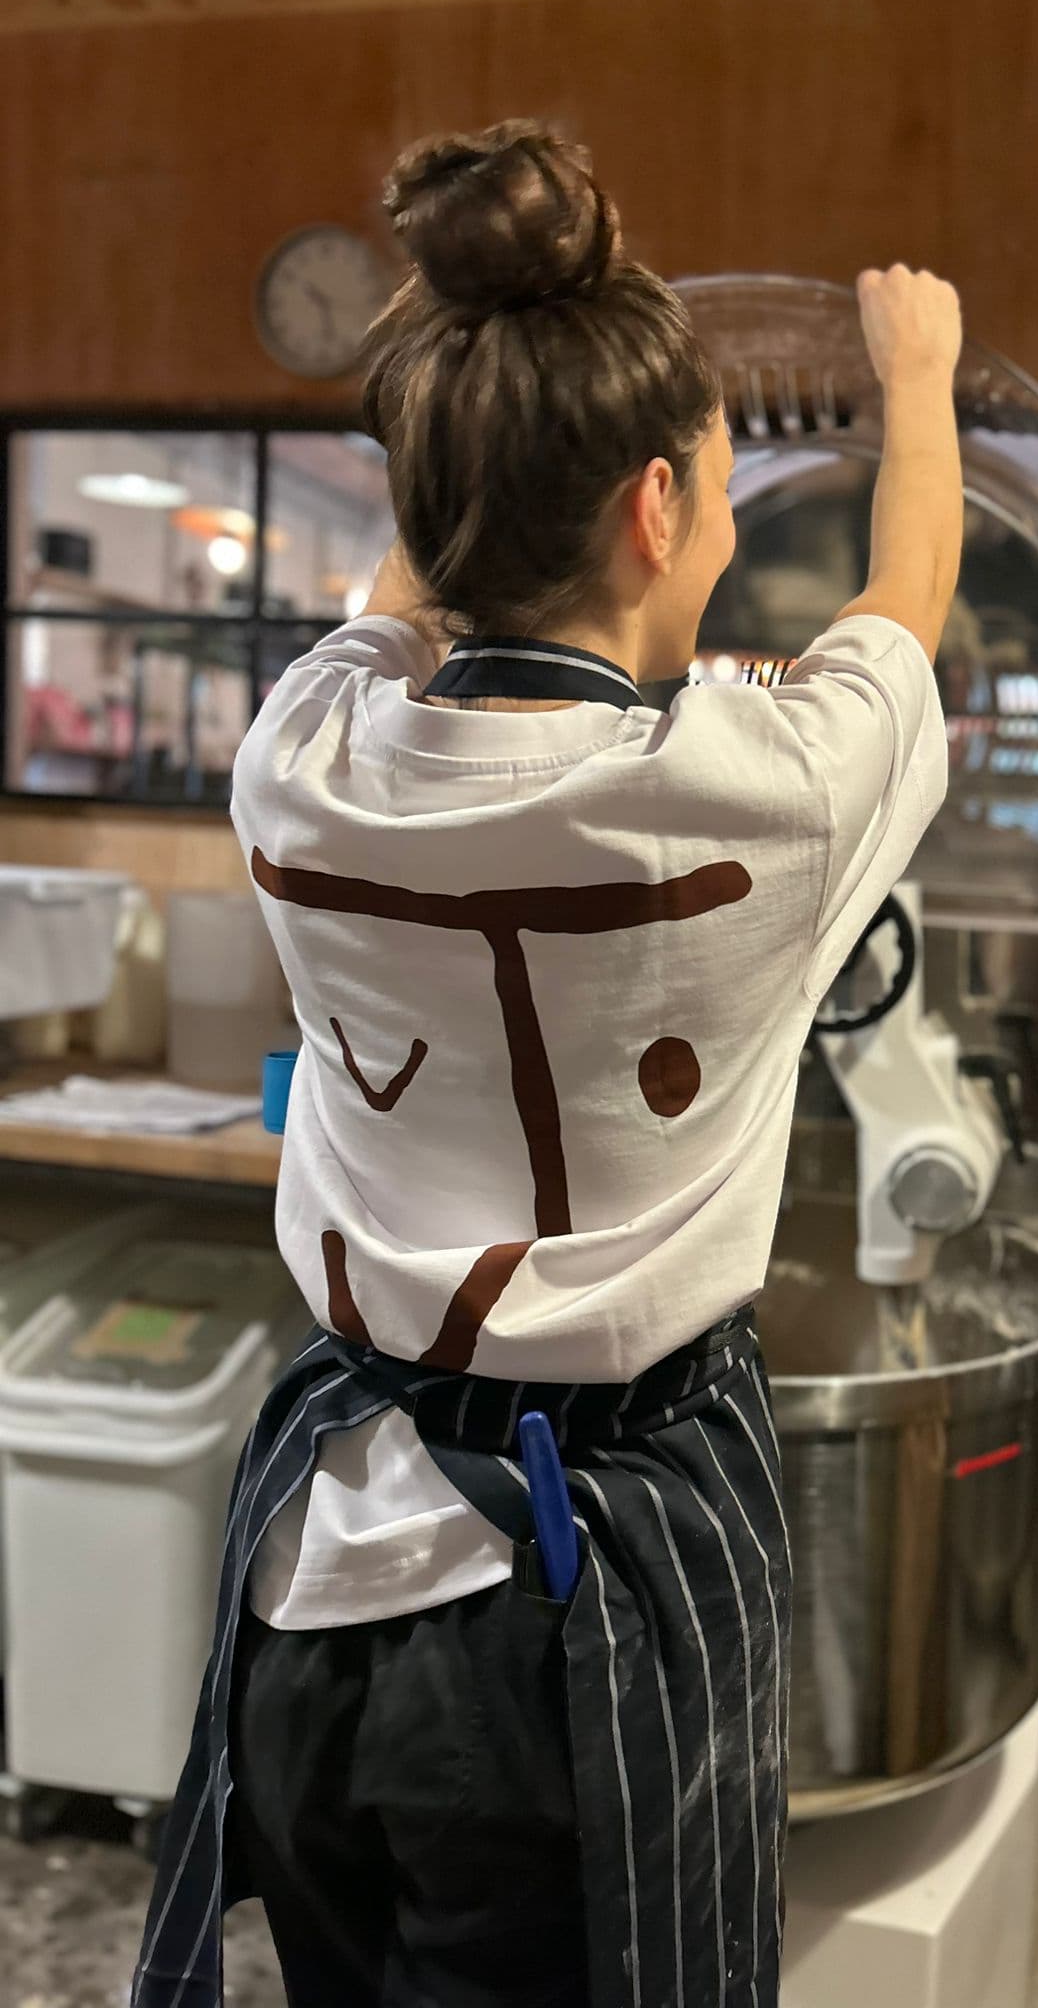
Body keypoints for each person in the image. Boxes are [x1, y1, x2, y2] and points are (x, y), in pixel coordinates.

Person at [134, 118, 963, 2008]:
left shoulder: (300, 760)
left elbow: (401, 598)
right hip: (580, 1622)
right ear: (658, 509)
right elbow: (906, 597)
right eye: (722, 485)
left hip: (316, 1577)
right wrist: (914, 377)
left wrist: (469, 443)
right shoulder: (761, 796)